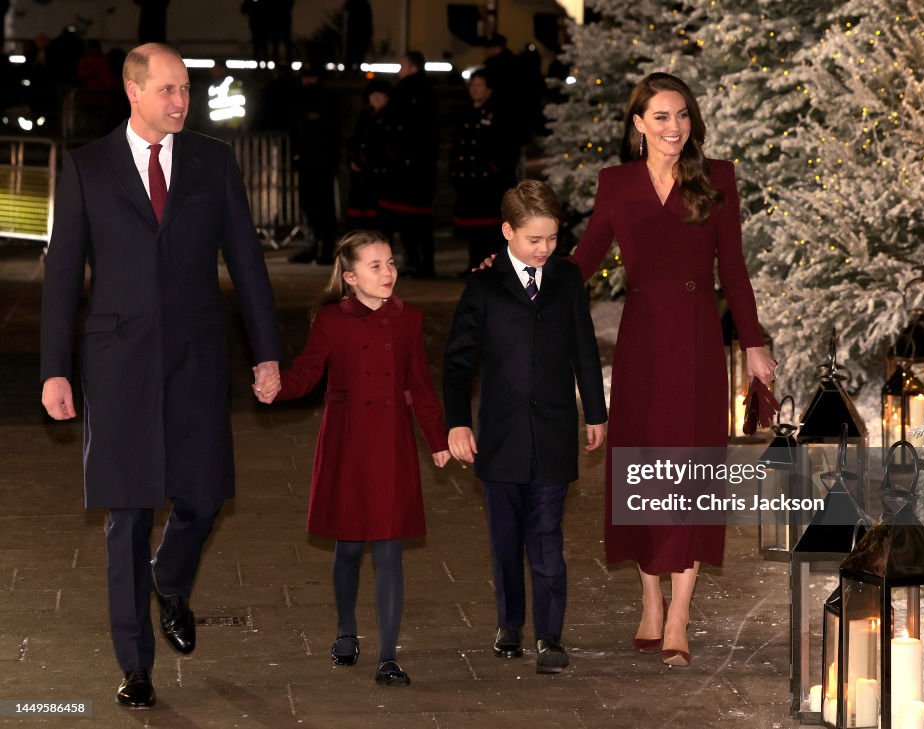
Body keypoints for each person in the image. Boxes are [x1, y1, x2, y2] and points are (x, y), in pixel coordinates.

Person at [40, 43, 282, 708]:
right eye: (169, 89)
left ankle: (169, 579)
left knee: (204, 496)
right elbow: (63, 275)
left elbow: (247, 262)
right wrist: (53, 370)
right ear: (134, 90)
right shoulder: (88, 168)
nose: (182, 101)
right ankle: (135, 663)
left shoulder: (212, 161)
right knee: (127, 513)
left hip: (197, 358)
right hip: (117, 364)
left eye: (186, 89)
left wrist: (267, 351)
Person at [570, 72, 775, 667]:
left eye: (682, 115)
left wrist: (754, 343)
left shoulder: (718, 179)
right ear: (637, 123)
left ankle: (681, 612)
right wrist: (516, 272)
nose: (674, 127)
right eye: (660, 116)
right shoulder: (616, 184)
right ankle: (650, 599)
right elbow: (582, 261)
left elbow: (732, 268)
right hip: (640, 342)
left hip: (694, 339)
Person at [261, 230, 450, 686]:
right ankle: (347, 630)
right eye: (375, 266)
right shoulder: (330, 321)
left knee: (389, 549)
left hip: (391, 443)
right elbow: (307, 373)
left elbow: (420, 385)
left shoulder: (409, 319)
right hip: (346, 442)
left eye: (390, 263)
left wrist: (438, 439)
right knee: (347, 546)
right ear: (349, 278)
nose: (388, 273)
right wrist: (278, 386)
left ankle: (388, 655)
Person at [444, 180, 608, 675]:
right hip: (499, 436)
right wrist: (456, 423)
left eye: (552, 239)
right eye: (534, 240)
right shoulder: (484, 286)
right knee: (505, 538)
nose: (544, 250)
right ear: (507, 232)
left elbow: (583, 348)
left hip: (555, 431)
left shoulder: (567, 279)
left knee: (546, 535)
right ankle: (509, 623)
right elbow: (457, 362)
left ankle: (550, 636)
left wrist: (596, 411)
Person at [449, 69, 518, 275]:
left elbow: (507, 146)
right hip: (469, 179)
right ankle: (474, 264)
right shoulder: (465, 112)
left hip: (490, 182)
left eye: (479, 85)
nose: (475, 90)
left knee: (490, 229)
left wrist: (493, 169)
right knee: (472, 228)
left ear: (489, 89)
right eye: (473, 85)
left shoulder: (500, 112)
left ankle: (492, 265)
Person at [377, 51, 439, 278]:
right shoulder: (426, 91)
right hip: (418, 165)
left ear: (412, 67)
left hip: (407, 166)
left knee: (410, 220)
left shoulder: (408, 91)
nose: (399, 69)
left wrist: (394, 153)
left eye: (402, 65)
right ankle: (420, 261)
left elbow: (399, 126)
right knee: (415, 220)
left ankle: (417, 261)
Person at [287, 63, 342, 264]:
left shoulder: (323, 100)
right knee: (309, 205)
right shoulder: (300, 100)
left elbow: (331, 132)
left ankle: (325, 247)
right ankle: (314, 245)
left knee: (323, 207)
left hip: (321, 162)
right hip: (308, 161)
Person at [344, 79, 390, 229]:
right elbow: (354, 140)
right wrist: (353, 159)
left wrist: (364, 160)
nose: (375, 98)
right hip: (360, 177)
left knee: (376, 222)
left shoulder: (389, 119)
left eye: (380, 95)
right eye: (373, 95)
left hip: (378, 178)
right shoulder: (364, 117)